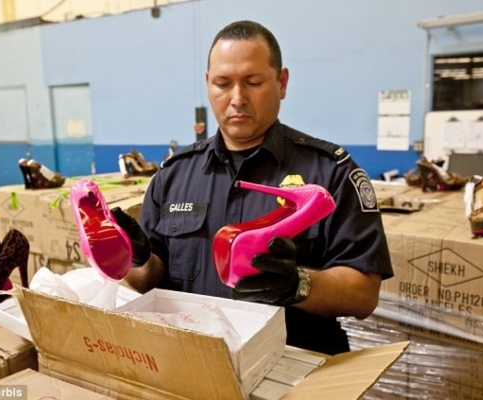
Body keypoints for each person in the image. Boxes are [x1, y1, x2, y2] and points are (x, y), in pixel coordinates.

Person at [112, 20, 393, 355]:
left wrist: (297, 285)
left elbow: (364, 295)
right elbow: (147, 280)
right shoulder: (173, 175)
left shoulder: (330, 173)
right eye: (222, 84)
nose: (237, 98)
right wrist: (135, 258)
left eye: (253, 82)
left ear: (282, 82)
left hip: (294, 368)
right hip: (193, 364)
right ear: (207, 85)